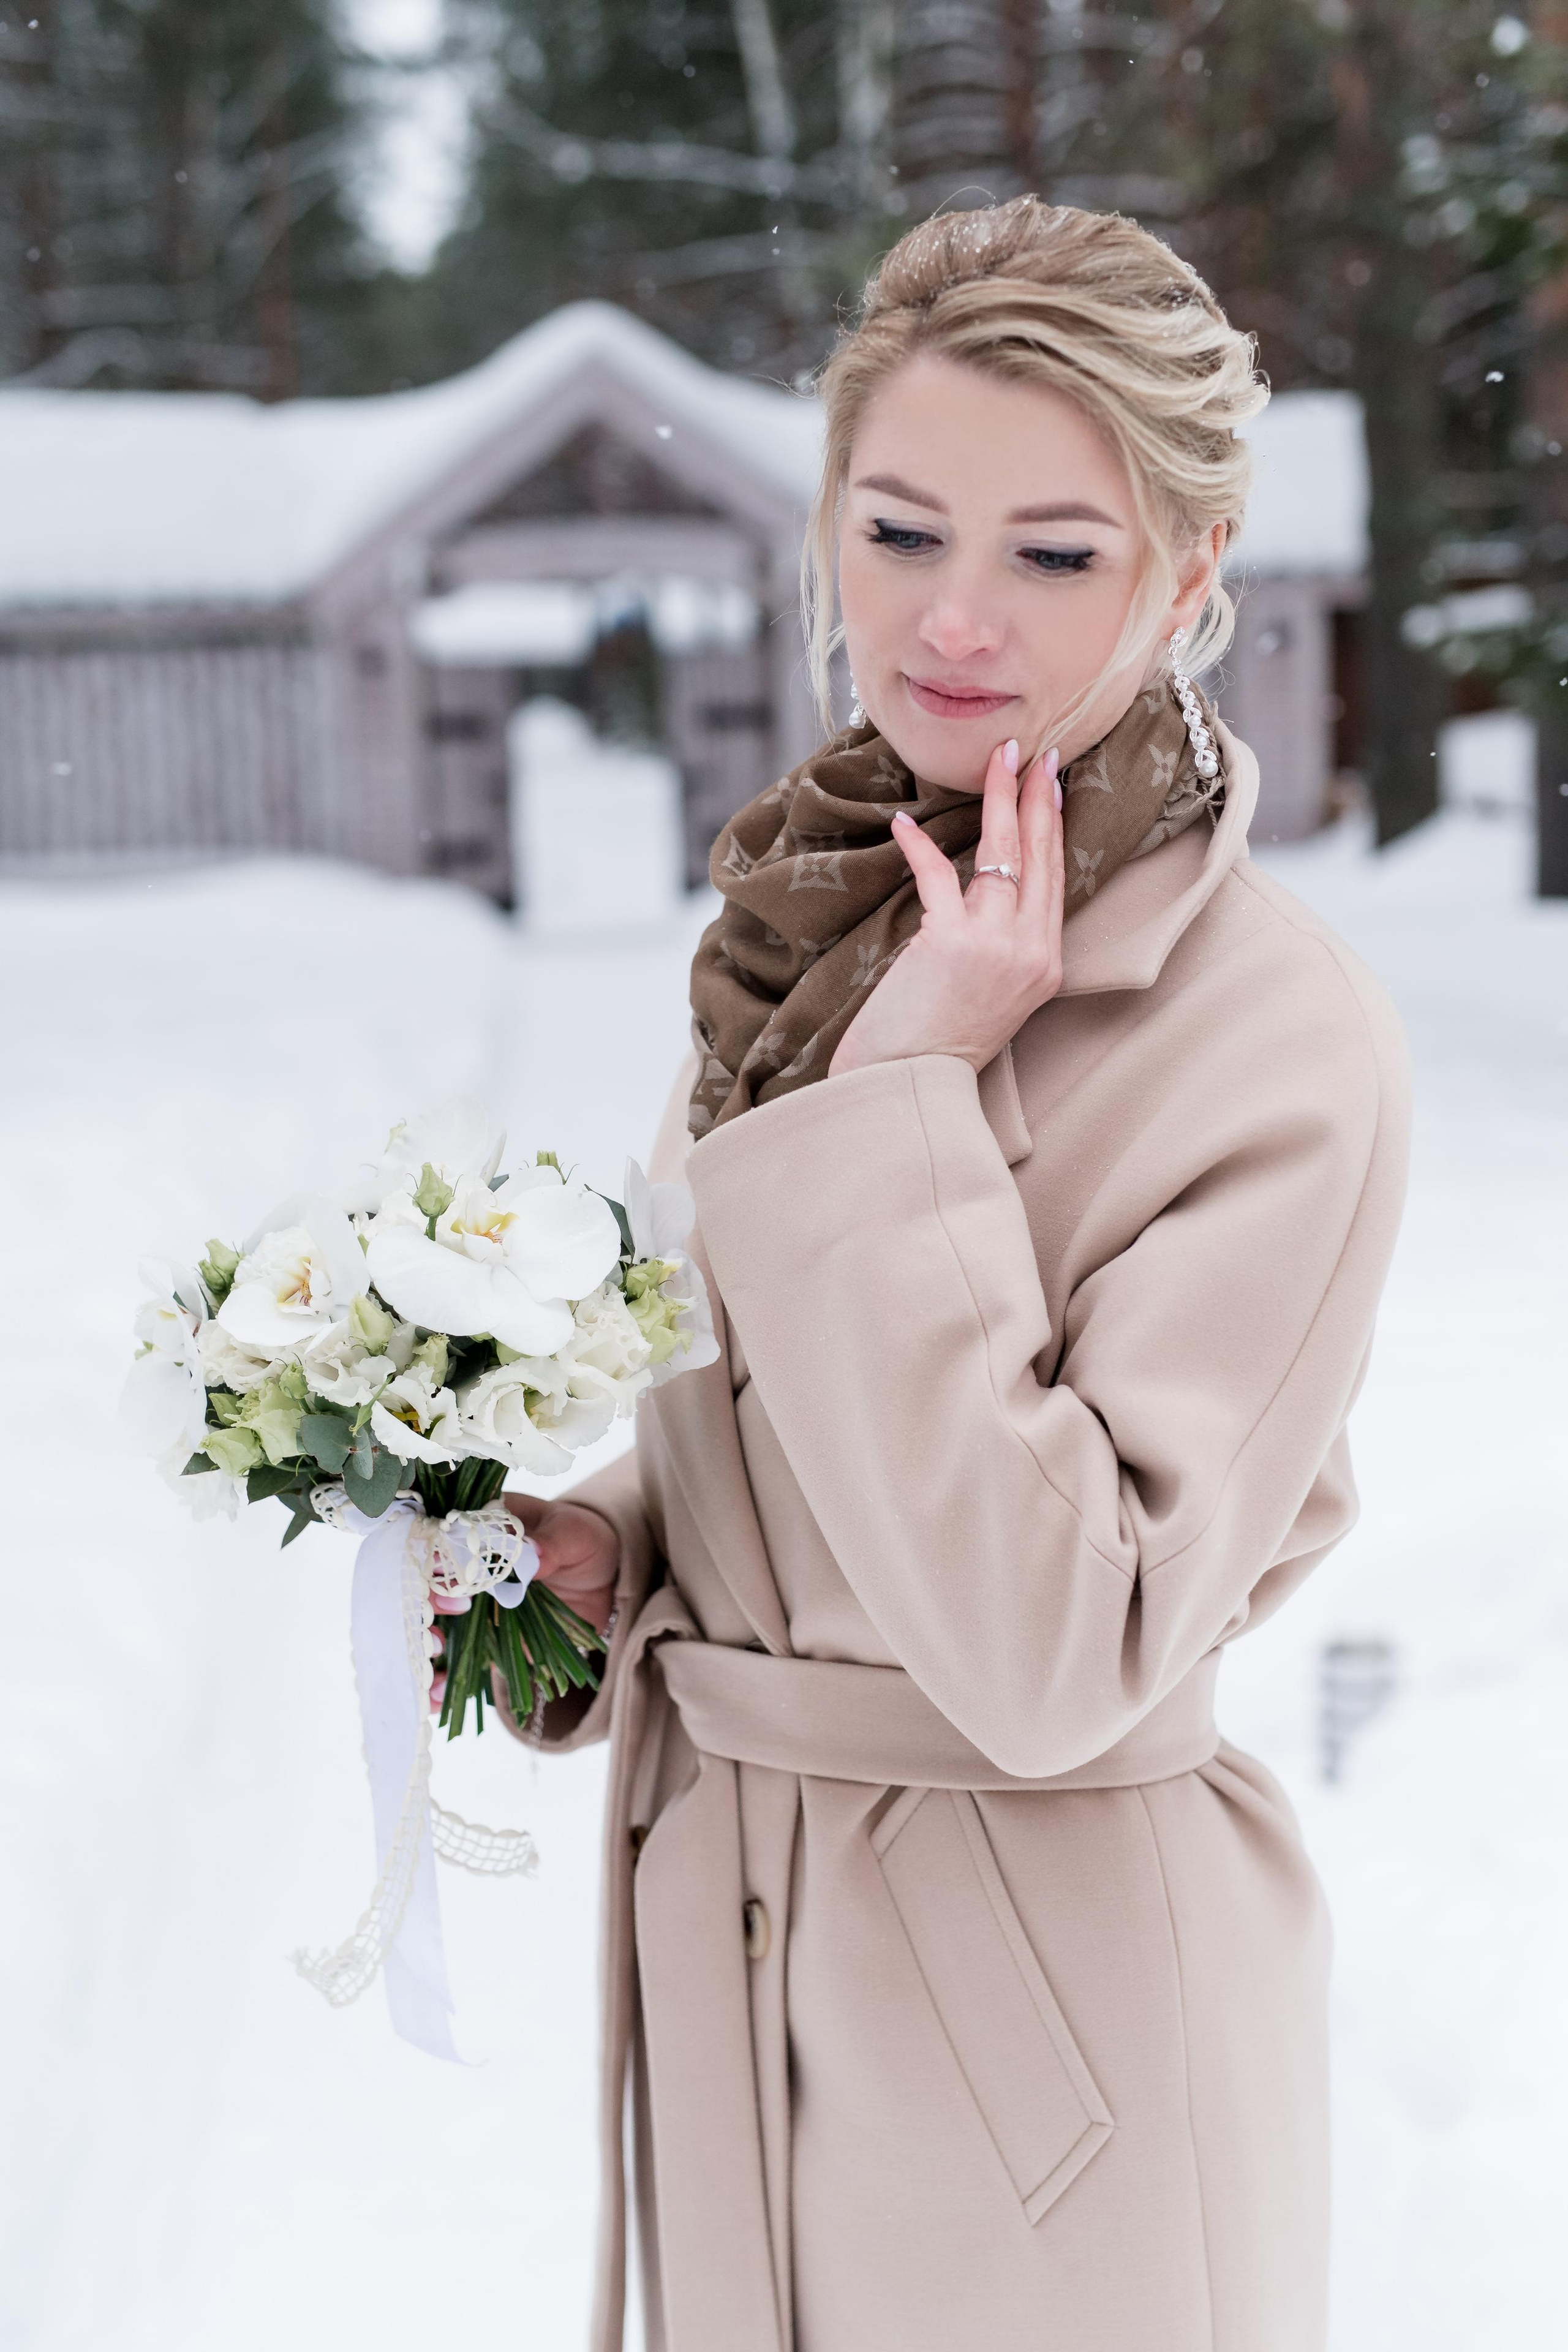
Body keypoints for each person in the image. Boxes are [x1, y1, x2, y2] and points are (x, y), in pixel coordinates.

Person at [502, 198, 1411, 2352]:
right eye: (902, 531)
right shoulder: (811, 935)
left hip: (1050, 2051)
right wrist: (619, 1552)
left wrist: (909, 1095)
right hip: (751, 1941)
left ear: (1193, 579)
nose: (957, 621)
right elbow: (800, 1418)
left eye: (1056, 552)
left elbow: (1055, 1633)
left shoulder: (1275, 1040)